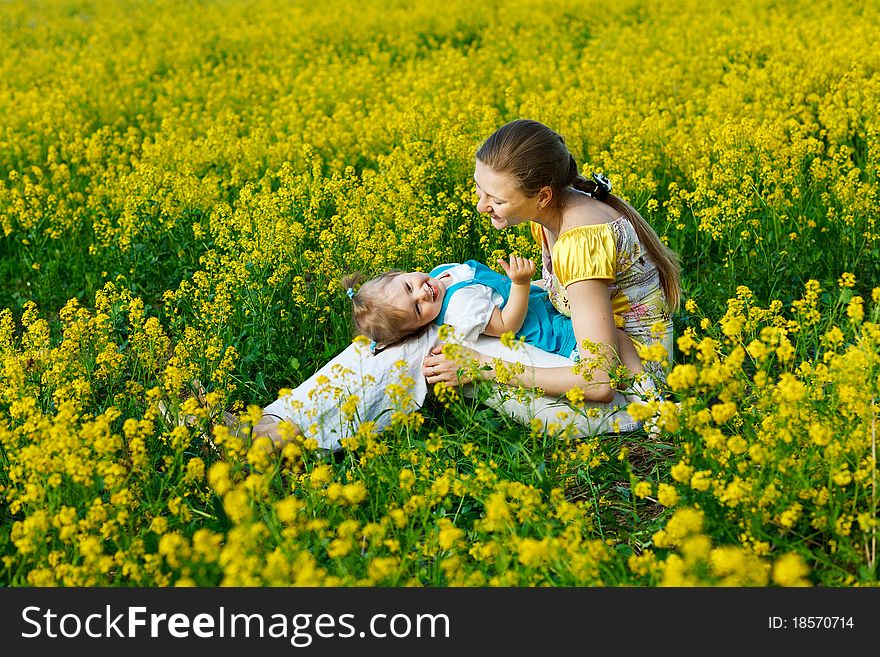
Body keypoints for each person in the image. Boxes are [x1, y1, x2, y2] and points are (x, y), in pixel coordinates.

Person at [172, 119, 679, 453]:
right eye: (480, 190)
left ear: (541, 194)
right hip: (575, 335)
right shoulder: (554, 209)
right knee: (430, 318)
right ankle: (276, 422)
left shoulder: (581, 241)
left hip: (632, 383)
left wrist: (480, 365)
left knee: (438, 340)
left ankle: (281, 438)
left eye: (495, 200)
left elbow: (598, 381)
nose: (483, 206)